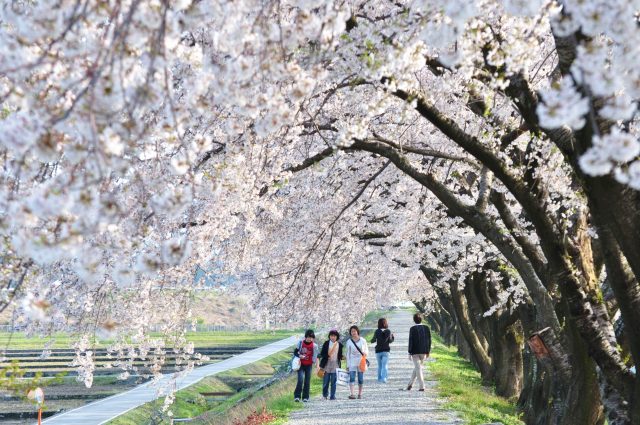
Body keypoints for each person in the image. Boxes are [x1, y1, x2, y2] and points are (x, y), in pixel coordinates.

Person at [406, 313, 432, 391]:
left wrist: (409, 352)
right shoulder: (426, 328)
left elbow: (411, 341)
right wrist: (428, 351)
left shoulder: (412, 329)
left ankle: (422, 386)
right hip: (423, 351)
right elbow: (429, 340)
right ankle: (410, 384)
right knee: (418, 368)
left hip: (415, 351)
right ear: (422, 319)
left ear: (414, 320)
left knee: (418, 368)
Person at [317, 329, 343, 400]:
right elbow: (322, 353)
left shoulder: (339, 345)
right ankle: (325, 395)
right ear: (329, 336)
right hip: (326, 364)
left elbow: (339, 355)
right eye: (331, 336)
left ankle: (332, 396)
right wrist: (326, 356)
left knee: (333, 382)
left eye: (334, 336)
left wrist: (343, 357)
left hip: (335, 365)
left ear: (337, 337)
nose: (333, 337)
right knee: (326, 381)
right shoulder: (326, 343)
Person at [293, 329, 319, 402]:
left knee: (307, 381)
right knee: (300, 380)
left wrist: (316, 365)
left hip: (309, 365)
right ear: (305, 337)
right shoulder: (300, 343)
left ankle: (305, 397)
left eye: (311, 337)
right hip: (300, 364)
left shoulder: (314, 346)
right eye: (308, 337)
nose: (309, 339)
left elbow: (316, 355)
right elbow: (295, 352)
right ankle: (297, 396)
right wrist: (299, 355)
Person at [346, 325, 368, 399]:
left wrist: (365, 353)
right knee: (352, 378)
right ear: (350, 333)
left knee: (360, 378)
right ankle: (352, 394)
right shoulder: (349, 342)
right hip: (352, 361)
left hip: (360, 361)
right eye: (352, 331)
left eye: (355, 331)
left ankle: (359, 394)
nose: (353, 333)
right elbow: (348, 353)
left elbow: (366, 350)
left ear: (357, 331)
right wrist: (348, 365)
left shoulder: (363, 340)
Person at [370, 317, 394, 383]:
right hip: (386, 351)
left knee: (380, 365)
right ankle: (384, 379)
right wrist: (393, 337)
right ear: (385, 323)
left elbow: (373, 340)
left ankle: (379, 379)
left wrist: (370, 340)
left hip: (378, 351)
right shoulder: (388, 331)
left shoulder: (377, 331)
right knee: (385, 365)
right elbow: (390, 341)